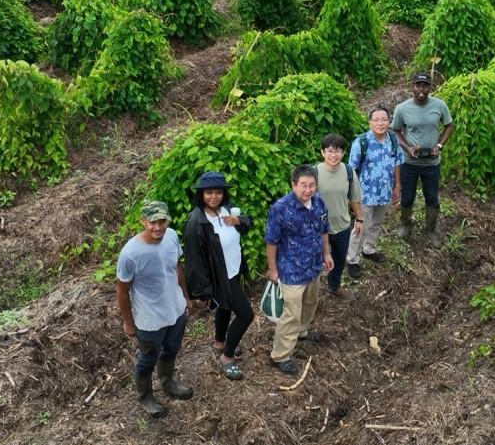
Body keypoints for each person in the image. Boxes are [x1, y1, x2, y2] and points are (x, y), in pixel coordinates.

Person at [116, 200, 194, 418]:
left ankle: (168, 381)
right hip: (149, 320)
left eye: (162, 221)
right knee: (147, 359)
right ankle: (145, 396)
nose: (158, 227)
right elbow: (122, 290)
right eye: (153, 222)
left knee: (171, 349)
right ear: (143, 221)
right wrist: (128, 321)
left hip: (175, 311)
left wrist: (185, 296)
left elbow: (176, 267)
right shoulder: (131, 254)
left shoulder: (171, 237)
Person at [183, 171, 255, 381]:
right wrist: (204, 291)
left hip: (232, 270)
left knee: (224, 307)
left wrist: (239, 220)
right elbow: (194, 260)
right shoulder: (198, 222)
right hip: (219, 277)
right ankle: (227, 357)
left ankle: (219, 342)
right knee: (246, 315)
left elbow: (246, 225)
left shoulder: (226, 210)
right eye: (209, 193)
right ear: (201, 195)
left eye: (218, 192)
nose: (214, 197)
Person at [265, 164, 333, 375]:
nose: (308, 190)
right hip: (291, 270)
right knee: (291, 314)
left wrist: (327, 254)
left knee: (311, 303)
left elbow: (324, 231)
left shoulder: (319, 203)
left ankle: (302, 331)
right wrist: (272, 269)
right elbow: (271, 241)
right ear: (293, 185)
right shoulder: (281, 208)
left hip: (313, 267)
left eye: (312, 185)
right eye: (303, 185)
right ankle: (280, 355)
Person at [392, 72, 454, 247]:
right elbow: (396, 131)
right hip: (409, 163)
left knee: (432, 197)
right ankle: (405, 224)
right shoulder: (402, 109)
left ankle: (431, 230)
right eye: (418, 85)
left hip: (431, 163)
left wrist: (439, 145)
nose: (421, 89)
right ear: (412, 86)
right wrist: (408, 147)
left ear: (430, 87)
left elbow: (449, 126)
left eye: (425, 85)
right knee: (407, 196)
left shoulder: (440, 105)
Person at [345, 106, 403, 279]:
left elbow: (397, 163)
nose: (380, 123)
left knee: (377, 223)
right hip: (365, 194)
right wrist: (351, 194)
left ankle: (369, 249)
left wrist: (397, 185)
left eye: (384, 119)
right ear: (369, 122)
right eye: (376, 119)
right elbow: (352, 170)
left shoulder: (393, 140)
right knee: (360, 227)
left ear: (389, 122)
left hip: (384, 192)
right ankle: (352, 260)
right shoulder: (361, 142)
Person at [315, 133, 363, 300]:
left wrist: (359, 219)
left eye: (337, 151)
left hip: (342, 225)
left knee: (339, 260)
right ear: (322, 153)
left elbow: (354, 198)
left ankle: (334, 286)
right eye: (329, 151)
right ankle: (310, 295)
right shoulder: (314, 173)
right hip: (319, 229)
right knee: (315, 262)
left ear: (343, 153)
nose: (333, 155)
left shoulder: (348, 171)